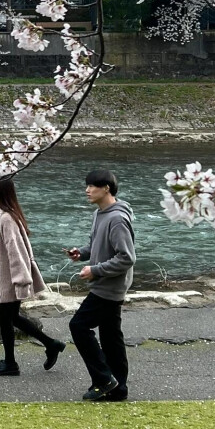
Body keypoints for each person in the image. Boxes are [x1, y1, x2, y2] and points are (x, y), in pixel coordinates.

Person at [66, 167, 136, 401]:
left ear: (106, 188)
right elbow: (97, 245)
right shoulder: (100, 213)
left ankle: (104, 379)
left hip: (110, 286)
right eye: (87, 186)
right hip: (106, 283)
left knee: (78, 326)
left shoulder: (117, 218)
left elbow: (127, 257)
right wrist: (82, 254)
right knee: (110, 336)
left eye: (92, 186)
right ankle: (118, 388)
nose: (87, 190)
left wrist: (95, 270)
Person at [0, 174, 67, 377]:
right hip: (7, 278)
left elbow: (17, 251)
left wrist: (21, 281)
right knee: (10, 317)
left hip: (13, 278)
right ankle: (50, 344)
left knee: (6, 318)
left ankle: (11, 363)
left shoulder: (6, 218)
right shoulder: (6, 214)